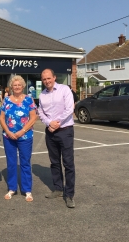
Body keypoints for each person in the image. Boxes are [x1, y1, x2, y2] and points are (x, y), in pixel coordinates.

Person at [38, 69, 76, 208]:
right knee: (54, 162)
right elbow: (40, 112)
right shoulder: (42, 95)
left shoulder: (64, 89)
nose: (47, 81)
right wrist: (49, 124)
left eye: (49, 78)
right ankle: (58, 188)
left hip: (65, 131)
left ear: (54, 77)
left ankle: (70, 194)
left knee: (68, 164)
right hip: (50, 132)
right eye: (44, 79)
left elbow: (69, 109)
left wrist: (56, 123)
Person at [0, 75, 37, 202]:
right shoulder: (6, 100)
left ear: (23, 86)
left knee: (25, 163)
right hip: (9, 136)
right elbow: (1, 117)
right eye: (14, 85)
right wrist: (8, 131)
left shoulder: (29, 100)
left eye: (19, 85)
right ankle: (12, 188)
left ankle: (27, 190)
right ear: (11, 87)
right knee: (11, 163)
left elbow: (33, 118)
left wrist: (22, 131)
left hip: (25, 136)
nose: (17, 87)